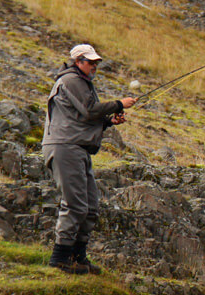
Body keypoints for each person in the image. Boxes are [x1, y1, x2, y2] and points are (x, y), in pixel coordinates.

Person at [42, 44, 136, 274]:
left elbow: (81, 117)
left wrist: (108, 122)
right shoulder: (71, 80)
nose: (94, 66)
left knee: (90, 207)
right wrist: (118, 104)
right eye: (90, 62)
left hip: (77, 147)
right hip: (66, 147)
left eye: (96, 62)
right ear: (78, 61)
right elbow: (89, 109)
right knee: (75, 205)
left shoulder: (80, 82)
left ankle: (78, 257)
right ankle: (60, 259)